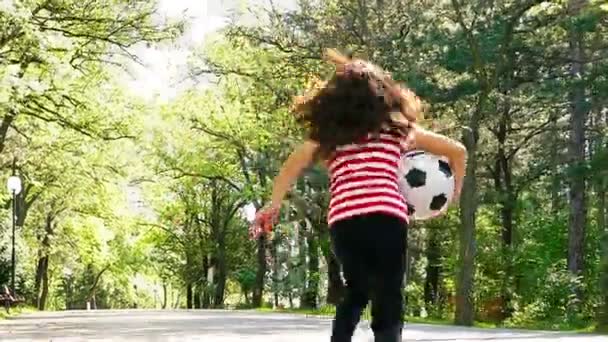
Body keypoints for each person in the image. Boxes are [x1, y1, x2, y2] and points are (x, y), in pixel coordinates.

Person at [250, 49, 467, 342]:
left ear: (334, 101)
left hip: (344, 222)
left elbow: (291, 167)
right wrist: (454, 194)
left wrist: (273, 204)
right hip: (387, 217)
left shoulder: (328, 136)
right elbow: (458, 151)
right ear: (383, 94)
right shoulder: (397, 128)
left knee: (356, 290)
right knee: (389, 292)